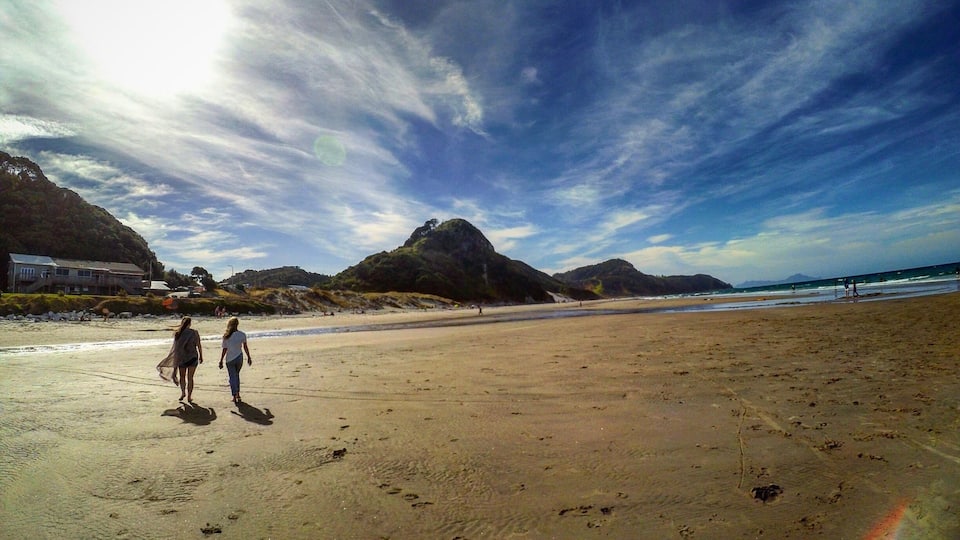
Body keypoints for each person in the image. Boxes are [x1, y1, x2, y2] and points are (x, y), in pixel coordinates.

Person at [157, 316, 203, 402]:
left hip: (182, 358)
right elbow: (198, 345)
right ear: (190, 324)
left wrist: (175, 359)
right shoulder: (194, 332)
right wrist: (201, 356)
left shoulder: (178, 333)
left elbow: (176, 348)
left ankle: (183, 393)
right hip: (193, 357)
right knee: (190, 378)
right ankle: (189, 396)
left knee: (182, 377)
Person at [219, 317, 252, 404]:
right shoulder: (242, 334)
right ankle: (238, 394)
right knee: (236, 375)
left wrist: (221, 360)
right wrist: (249, 357)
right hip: (239, 357)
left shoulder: (226, 336)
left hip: (230, 359)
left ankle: (234, 395)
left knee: (232, 377)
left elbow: (224, 349)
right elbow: (245, 347)